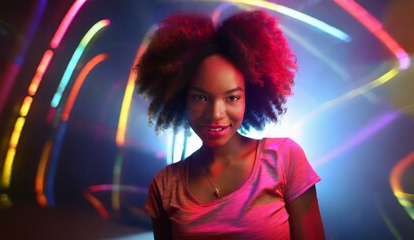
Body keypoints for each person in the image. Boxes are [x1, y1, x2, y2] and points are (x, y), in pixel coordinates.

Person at [135, 10, 325, 240]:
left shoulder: (284, 160)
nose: (215, 113)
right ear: (180, 97)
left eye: (232, 98)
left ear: (251, 97)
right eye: (200, 97)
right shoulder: (165, 186)